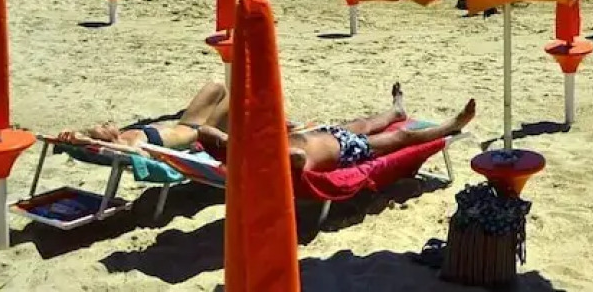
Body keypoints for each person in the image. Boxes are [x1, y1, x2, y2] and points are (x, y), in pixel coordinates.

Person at [197, 82, 475, 174]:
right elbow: (297, 158)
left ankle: (396, 109)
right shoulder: (267, 162)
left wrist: (227, 140)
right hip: (346, 151)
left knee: (366, 122)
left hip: (324, 132)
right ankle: (452, 125)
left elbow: (203, 132)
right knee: (402, 136)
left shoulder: (241, 147)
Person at [55, 79, 229, 150]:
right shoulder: (131, 145)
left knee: (217, 85)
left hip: (186, 124)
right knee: (238, 93)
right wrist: (93, 142)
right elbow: (135, 154)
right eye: (101, 128)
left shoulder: (124, 135)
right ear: (105, 139)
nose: (106, 123)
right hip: (203, 134)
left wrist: (70, 135)